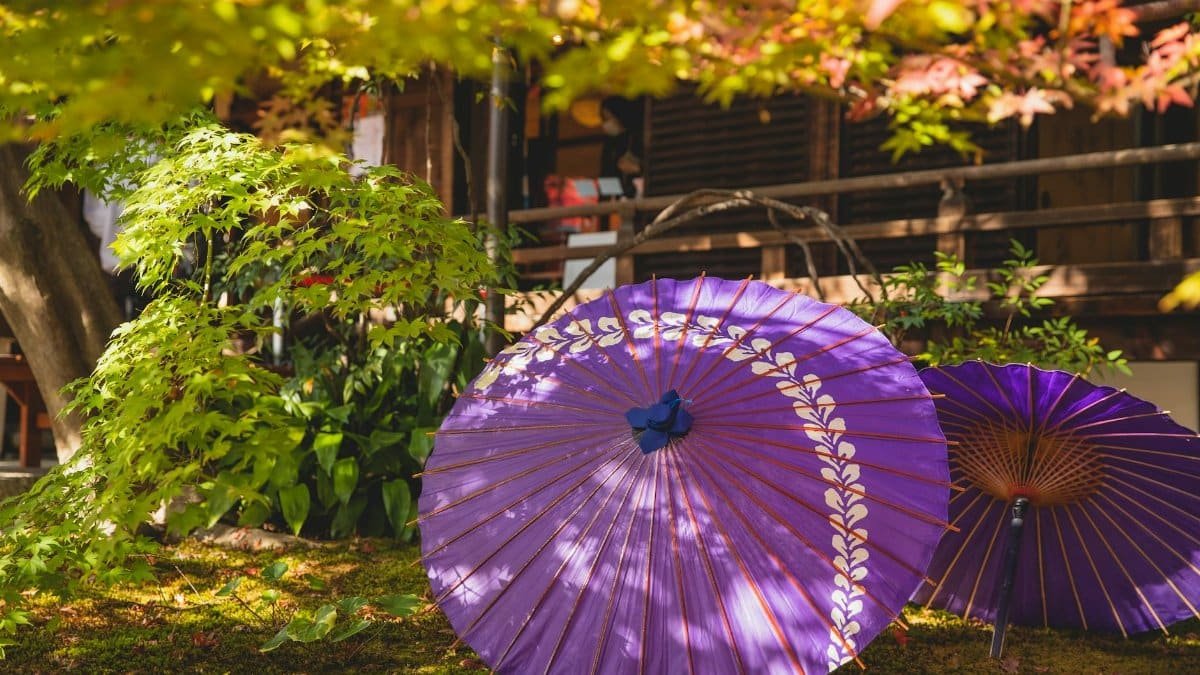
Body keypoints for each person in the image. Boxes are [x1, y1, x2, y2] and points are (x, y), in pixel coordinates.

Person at [599, 97, 643, 198]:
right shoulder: (609, 145)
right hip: (616, 202)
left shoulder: (637, 139)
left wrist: (638, 169)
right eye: (604, 119)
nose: (606, 124)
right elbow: (606, 175)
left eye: (609, 118)